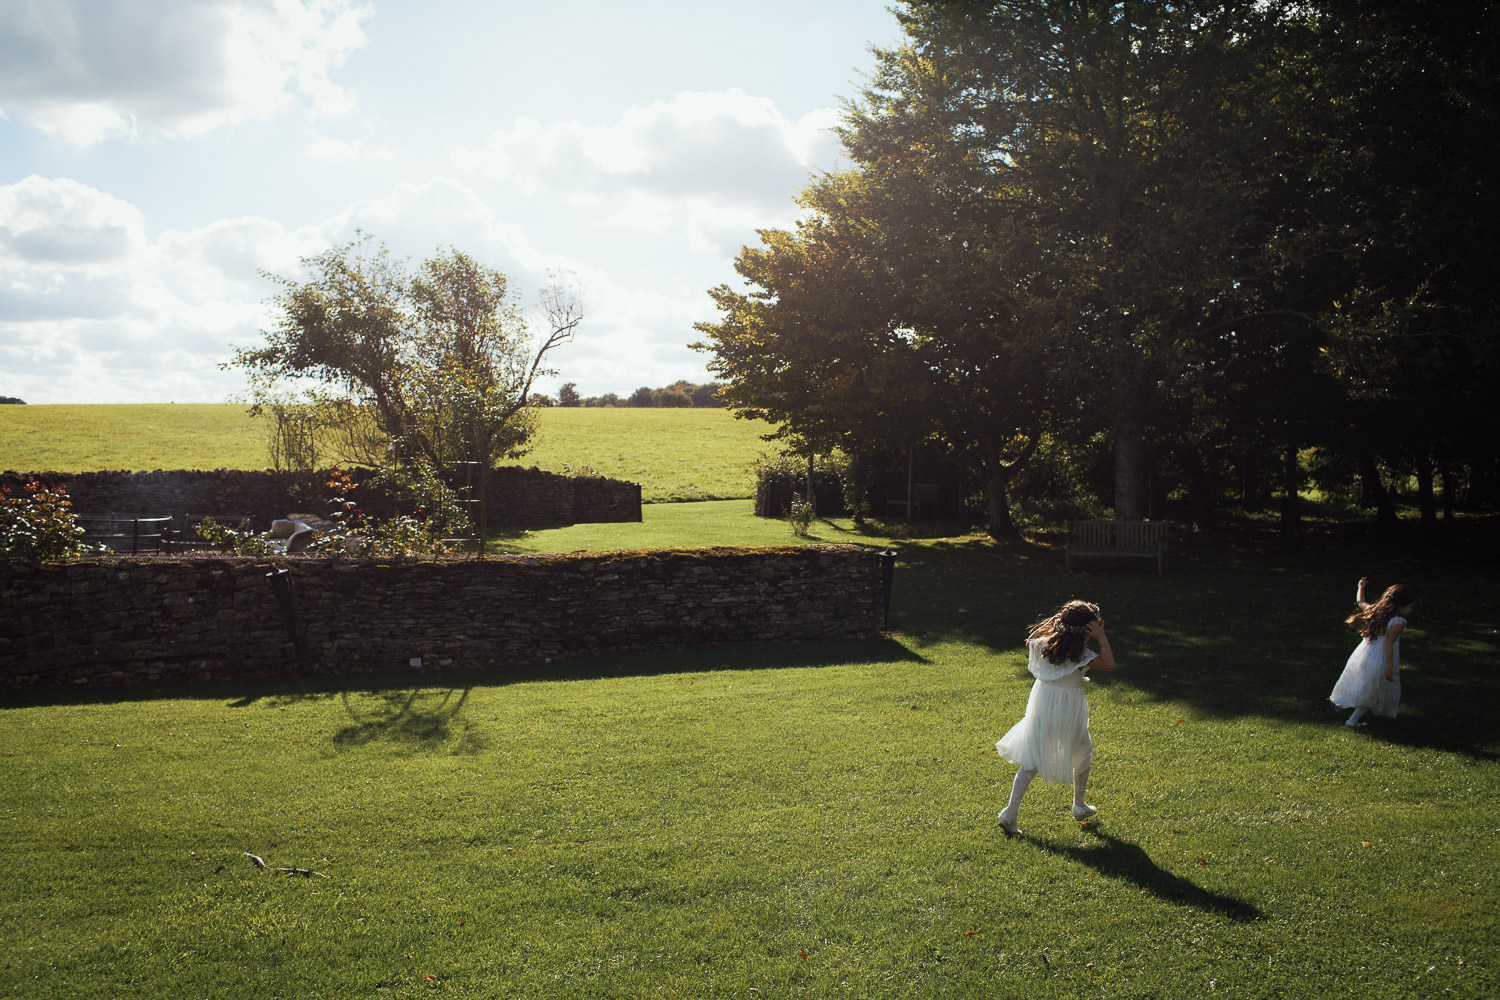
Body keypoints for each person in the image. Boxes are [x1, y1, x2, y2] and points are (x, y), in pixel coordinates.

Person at [995, 600, 1116, 835]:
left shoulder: (1043, 644)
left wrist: (1053, 624)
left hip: (1042, 702)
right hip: (1068, 705)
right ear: (1088, 629)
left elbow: (1030, 638)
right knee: (1083, 750)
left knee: (1033, 756)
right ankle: (1078, 805)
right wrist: (1101, 637)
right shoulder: (1081, 653)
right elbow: (1109, 664)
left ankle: (1010, 812)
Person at [1329, 578, 1415, 727]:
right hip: (1381, 658)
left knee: (1363, 684)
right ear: (1401, 605)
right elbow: (1389, 644)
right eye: (1410, 607)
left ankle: (1345, 706)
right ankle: (1353, 720)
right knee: (1373, 690)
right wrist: (1389, 665)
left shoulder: (1376, 612)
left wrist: (1360, 587)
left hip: (1364, 654)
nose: (1411, 610)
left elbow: (1361, 602)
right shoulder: (1398, 622)